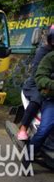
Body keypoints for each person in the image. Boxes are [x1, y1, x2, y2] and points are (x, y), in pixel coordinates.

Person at [17, 26, 54, 140]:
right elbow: (37, 73)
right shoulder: (44, 52)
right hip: (36, 85)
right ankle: (23, 128)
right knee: (38, 98)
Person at [28, 29, 54, 158]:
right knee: (44, 129)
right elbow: (40, 77)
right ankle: (28, 156)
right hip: (51, 100)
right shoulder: (49, 58)